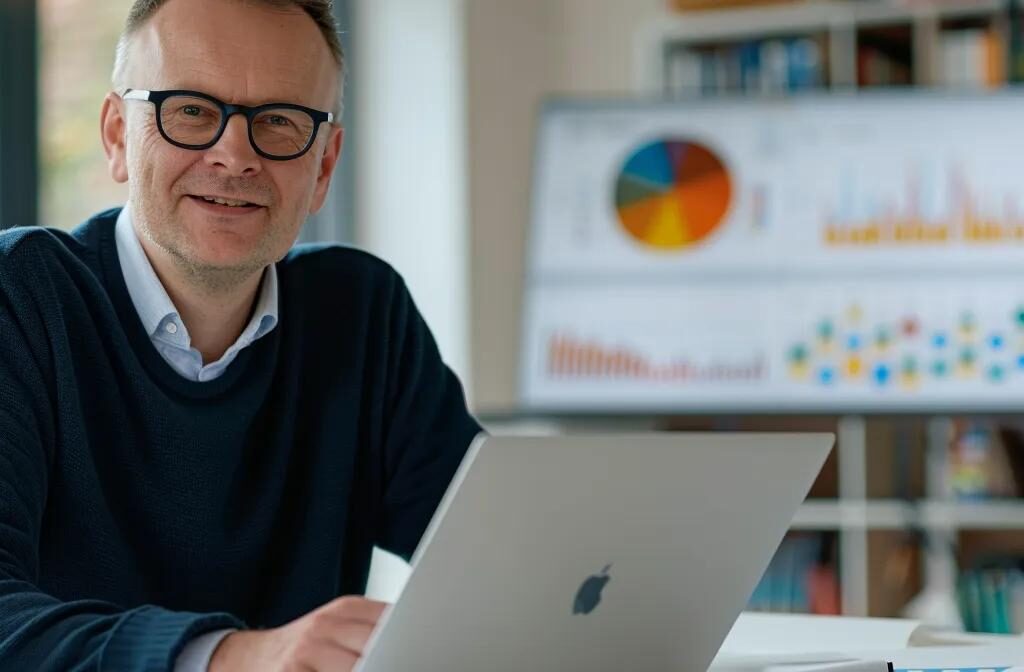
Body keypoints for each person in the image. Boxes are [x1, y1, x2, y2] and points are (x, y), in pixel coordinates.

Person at [0, 0, 482, 670]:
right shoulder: (19, 300)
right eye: (192, 110)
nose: (235, 155)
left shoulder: (362, 315)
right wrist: (231, 658)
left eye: (279, 122)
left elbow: (496, 554)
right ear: (116, 135)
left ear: (323, 166)